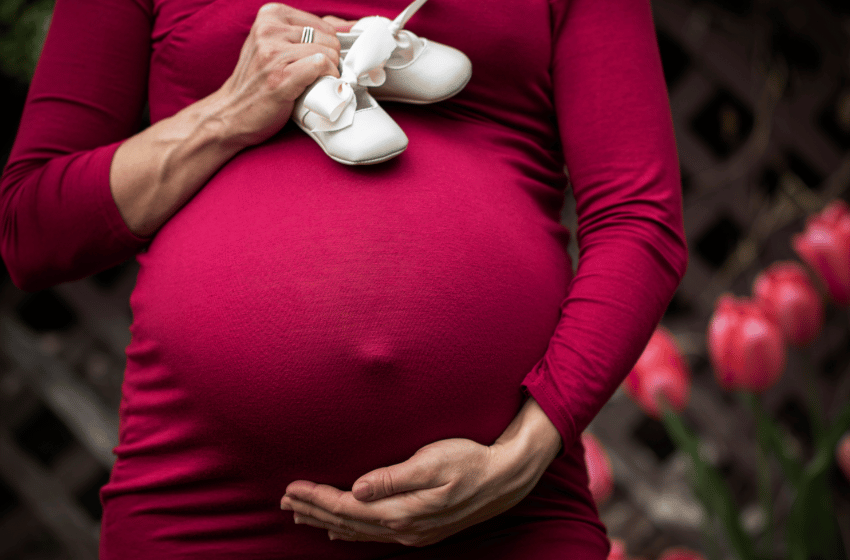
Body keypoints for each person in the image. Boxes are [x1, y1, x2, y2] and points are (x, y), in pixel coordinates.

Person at [0, 0, 688, 558]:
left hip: (506, 512)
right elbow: (33, 228)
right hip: (202, 505)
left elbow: (639, 218)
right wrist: (229, 112)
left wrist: (524, 454)